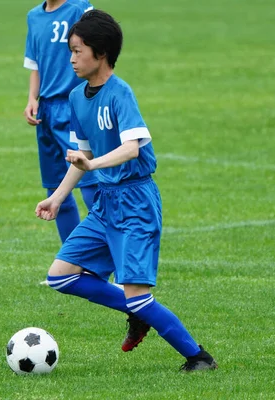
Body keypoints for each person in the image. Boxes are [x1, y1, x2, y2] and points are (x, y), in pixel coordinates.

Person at [35, 9, 218, 371]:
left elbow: (132, 147)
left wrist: (94, 165)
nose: (70, 58)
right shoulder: (76, 97)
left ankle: (199, 357)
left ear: (100, 53)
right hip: (106, 204)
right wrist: (57, 197)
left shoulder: (121, 93)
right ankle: (138, 310)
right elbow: (83, 154)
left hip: (136, 203)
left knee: (138, 296)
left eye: (77, 51)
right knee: (60, 275)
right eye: (70, 50)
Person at [24, 0, 99, 243]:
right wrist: (32, 98)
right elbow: (34, 64)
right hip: (46, 111)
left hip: (74, 107)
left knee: (91, 185)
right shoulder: (33, 16)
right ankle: (73, 265)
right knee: (56, 190)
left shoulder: (80, 10)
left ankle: (109, 265)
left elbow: (101, 49)